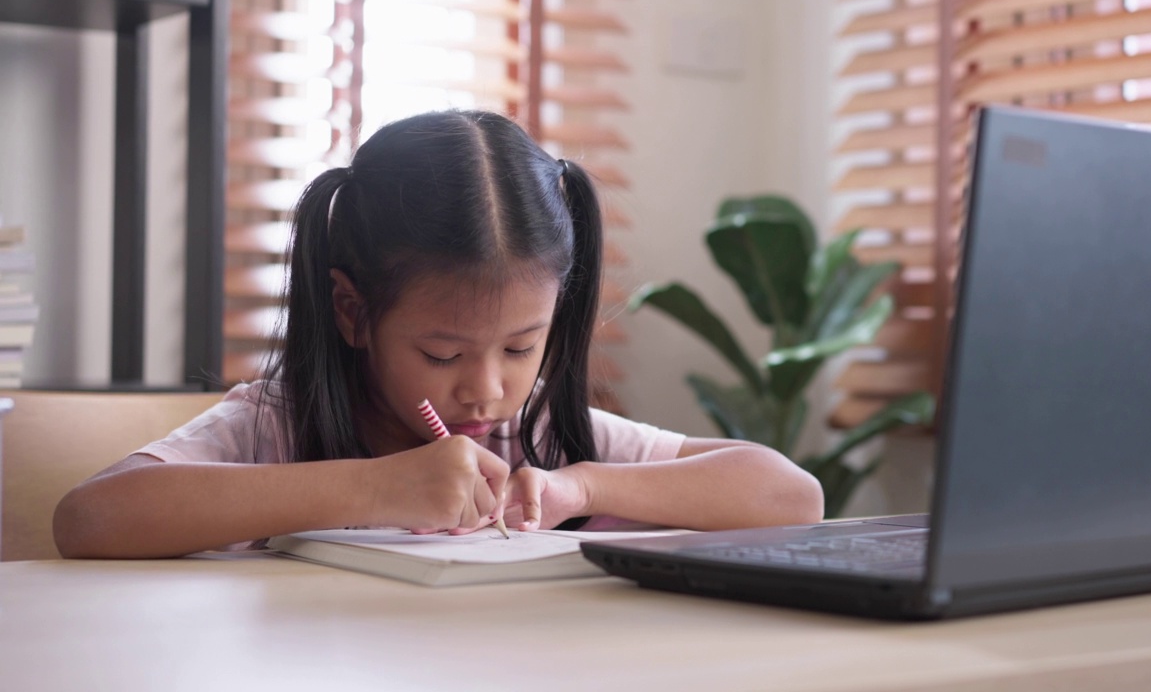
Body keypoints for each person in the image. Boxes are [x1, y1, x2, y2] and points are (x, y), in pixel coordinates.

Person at [53, 110, 824, 559]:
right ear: (354, 312)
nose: (487, 388)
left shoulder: (542, 434)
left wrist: (579, 487)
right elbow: (88, 520)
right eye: (443, 353)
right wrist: (372, 487)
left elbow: (793, 497)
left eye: (522, 347)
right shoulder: (275, 424)